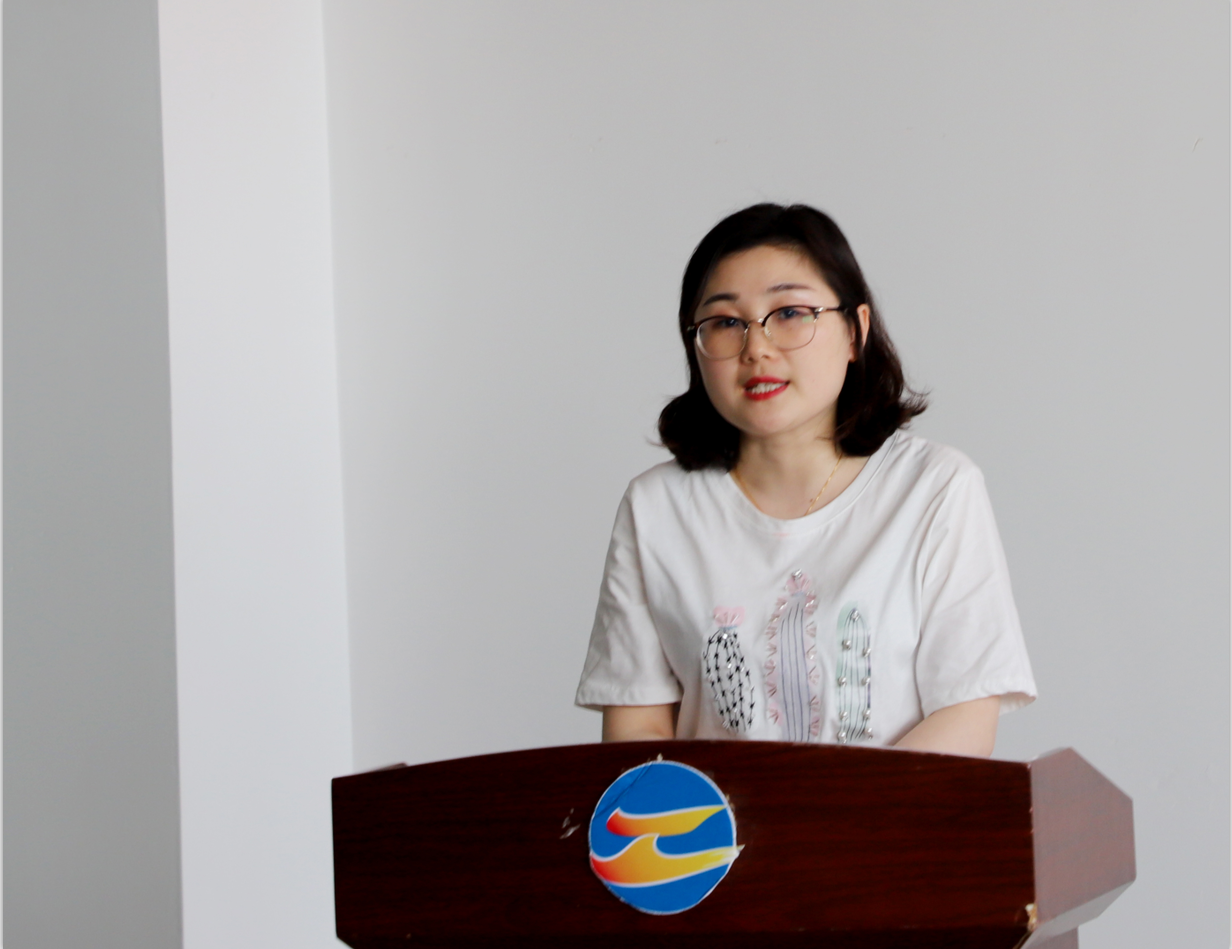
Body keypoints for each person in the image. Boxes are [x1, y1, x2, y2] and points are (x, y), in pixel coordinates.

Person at [574, 203, 1035, 756]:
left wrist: (841, 813)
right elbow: (637, 735)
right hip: (714, 817)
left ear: (855, 332)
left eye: (790, 312)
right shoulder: (656, 508)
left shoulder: (935, 489)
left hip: (899, 812)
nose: (756, 348)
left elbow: (965, 716)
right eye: (725, 323)